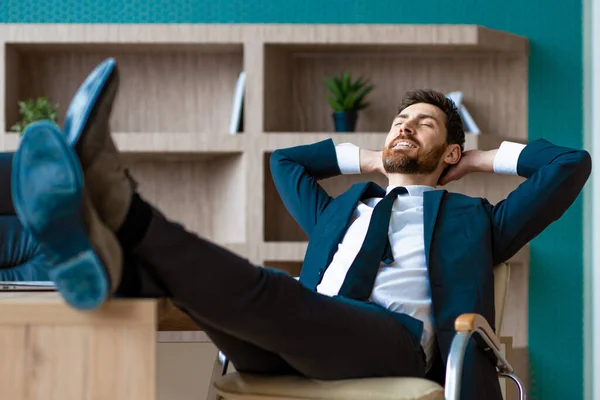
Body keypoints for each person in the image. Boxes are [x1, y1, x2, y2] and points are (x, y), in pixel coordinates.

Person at [2, 58, 592, 400]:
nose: (407, 127)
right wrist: (374, 160)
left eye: (427, 125)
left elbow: (570, 165)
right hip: (293, 340)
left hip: (393, 347)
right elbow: (283, 162)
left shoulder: (477, 220)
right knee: (180, 287)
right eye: (400, 120)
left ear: (451, 151)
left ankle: (120, 209)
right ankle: (115, 258)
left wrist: (481, 161)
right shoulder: (339, 211)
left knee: (267, 290)